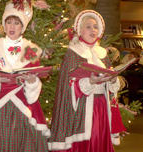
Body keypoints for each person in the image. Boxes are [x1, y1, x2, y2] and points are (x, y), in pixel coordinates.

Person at [0, 0, 50, 151]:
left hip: (23, 105)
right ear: (4, 24)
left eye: (17, 23)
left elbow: (34, 90)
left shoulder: (31, 50)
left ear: (23, 27)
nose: (12, 27)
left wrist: (32, 81)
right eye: (9, 22)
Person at [48, 10, 121, 152]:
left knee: (99, 142)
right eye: (88, 26)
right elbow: (67, 86)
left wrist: (112, 80)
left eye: (95, 27)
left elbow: (111, 87)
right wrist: (91, 82)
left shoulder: (102, 54)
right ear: (80, 30)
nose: (93, 30)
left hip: (101, 108)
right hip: (81, 112)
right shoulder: (73, 52)